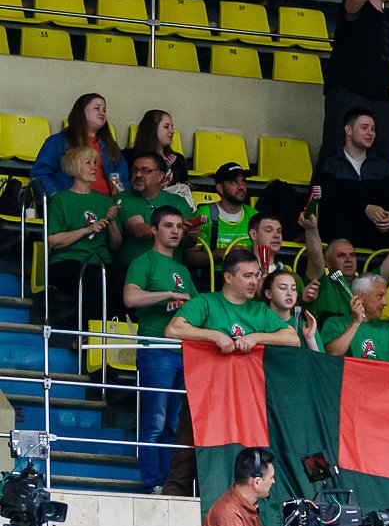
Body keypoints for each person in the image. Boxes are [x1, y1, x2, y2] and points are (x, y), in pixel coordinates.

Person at [123, 206, 196, 493]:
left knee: (174, 424)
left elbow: (198, 306)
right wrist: (168, 294)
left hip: (184, 351)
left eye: (179, 226)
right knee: (155, 421)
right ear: (154, 229)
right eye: (168, 225)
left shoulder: (182, 269)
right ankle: (153, 482)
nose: (175, 231)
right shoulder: (144, 261)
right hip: (156, 348)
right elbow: (130, 298)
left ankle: (169, 485)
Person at [321, 0, 389, 168]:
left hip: (382, 99)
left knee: (383, 157)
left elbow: (385, 64)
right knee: (337, 152)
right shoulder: (357, 7)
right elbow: (352, 1)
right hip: (349, 93)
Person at [44, 145, 121, 331]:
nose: (94, 167)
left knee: (124, 281)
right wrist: (87, 230)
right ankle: (85, 334)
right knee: (92, 279)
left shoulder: (105, 201)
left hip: (100, 263)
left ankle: (115, 336)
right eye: (88, 163)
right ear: (74, 167)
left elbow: (116, 245)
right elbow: (53, 240)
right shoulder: (60, 200)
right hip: (67, 261)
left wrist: (111, 222)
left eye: (95, 163)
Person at [167, 247, 302, 352]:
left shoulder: (260, 309)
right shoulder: (205, 302)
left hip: (247, 377)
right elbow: (173, 329)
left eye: (256, 275)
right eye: (248, 276)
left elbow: (293, 338)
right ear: (228, 277)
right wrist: (215, 336)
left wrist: (256, 338)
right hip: (211, 376)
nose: (254, 282)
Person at [312, 107, 389, 249]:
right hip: (338, 237)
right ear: (348, 130)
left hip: (377, 238)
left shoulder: (383, 167)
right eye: (364, 128)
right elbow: (328, 200)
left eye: (373, 129)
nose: (370, 133)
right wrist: (364, 208)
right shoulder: (330, 164)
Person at [33, 93, 127, 196]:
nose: (102, 113)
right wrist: (56, 197)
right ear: (81, 111)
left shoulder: (111, 145)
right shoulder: (57, 142)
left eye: (104, 110)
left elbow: (124, 179)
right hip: (70, 203)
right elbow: (40, 174)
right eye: (97, 108)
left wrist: (121, 198)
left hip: (107, 203)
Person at [115, 151, 194, 269]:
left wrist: (192, 235)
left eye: (145, 170)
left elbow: (188, 242)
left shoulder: (178, 201)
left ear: (160, 175)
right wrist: (178, 228)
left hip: (171, 271)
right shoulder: (124, 198)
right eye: (135, 170)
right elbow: (139, 231)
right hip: (133, 270)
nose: (138, 175)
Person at [319, 274, 389, 363]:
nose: (385, 302)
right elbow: (332, 355)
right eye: (379, 296)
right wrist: (356, 322)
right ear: (360, 296)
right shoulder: (335, 323)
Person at [188, 162, 255, 269]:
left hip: (247, 276)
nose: (241, 186)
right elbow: (191, 258)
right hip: (212, 276)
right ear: (220, 188)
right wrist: (224, 253)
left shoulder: (253, 215)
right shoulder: (205, 213)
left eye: (243, 181)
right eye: (234, 182)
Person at [125, 108, 189, 191]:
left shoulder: (178, 160)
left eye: (172, 127)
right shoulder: (130, 157)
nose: (172, 131)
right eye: (166, 127)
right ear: (152, 129)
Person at [260, 266, 320, 351]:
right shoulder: (259, 323)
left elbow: (320, 359)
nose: (290, 293)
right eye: (283, 288)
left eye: (293, 289)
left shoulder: (306, 327)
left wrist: (310, 338)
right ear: (268, 293)